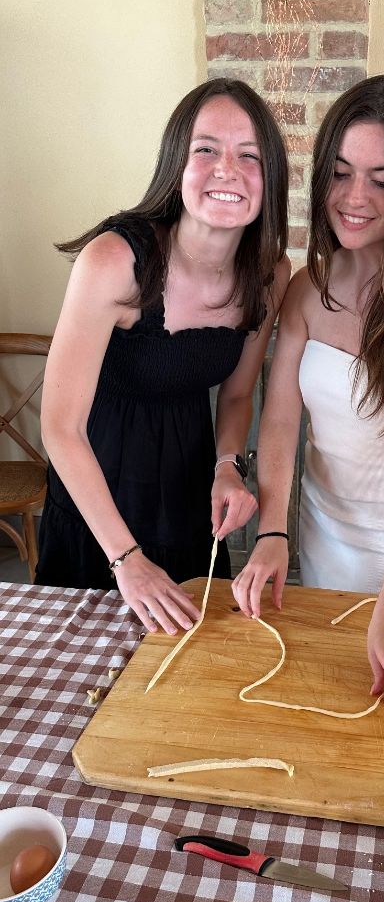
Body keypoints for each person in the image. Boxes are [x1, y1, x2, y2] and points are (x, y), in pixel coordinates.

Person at [232, 74, 384, 704]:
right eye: (340, 173)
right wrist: (273, 531)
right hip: (320, 520)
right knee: (322, 678)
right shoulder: (307, 289)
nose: (355, 197)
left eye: (383, 180)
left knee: (382, 683)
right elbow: (279, 421)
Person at [36, 78, 290, 636]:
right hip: (99, 486)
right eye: (206, 149)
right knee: (90, 664)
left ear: (270, 178)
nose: (227, 169)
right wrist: (126, 560)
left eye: (249, 155)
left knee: (192, 653)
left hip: (189, 484)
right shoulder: (114, 261)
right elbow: (59, 427)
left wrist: (228, 466)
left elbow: (239, 394)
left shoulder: (269, 276)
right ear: (177, 163)